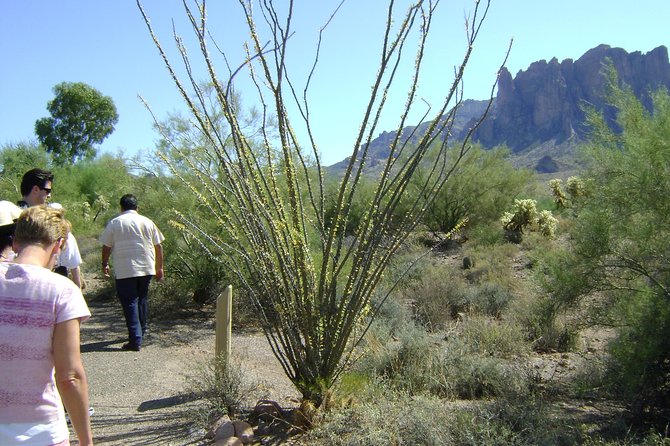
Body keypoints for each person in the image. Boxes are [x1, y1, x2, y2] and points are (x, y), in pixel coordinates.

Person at [0, 205, 93, 446]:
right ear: (58, 244)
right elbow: (69, 376)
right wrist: (86, 441)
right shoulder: (61, 291)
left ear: (16, 242)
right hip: (39, 432)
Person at [100, 194, 164, 352]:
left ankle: (135, 339)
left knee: (130, 302)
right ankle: (141, 331)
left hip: (125, 269)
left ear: (121, 207)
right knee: (141, 299)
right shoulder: (147, 222)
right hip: (146, 267)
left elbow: (106, 247)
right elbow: (158, 246)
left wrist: (105, 263)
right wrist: (159, 267)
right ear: (137, 208)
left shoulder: (115, 223)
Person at [18, 168, 84, 289]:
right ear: (36, 189)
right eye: (47, 190)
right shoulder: (14, 217)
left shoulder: (13, 215)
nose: (49, 195)